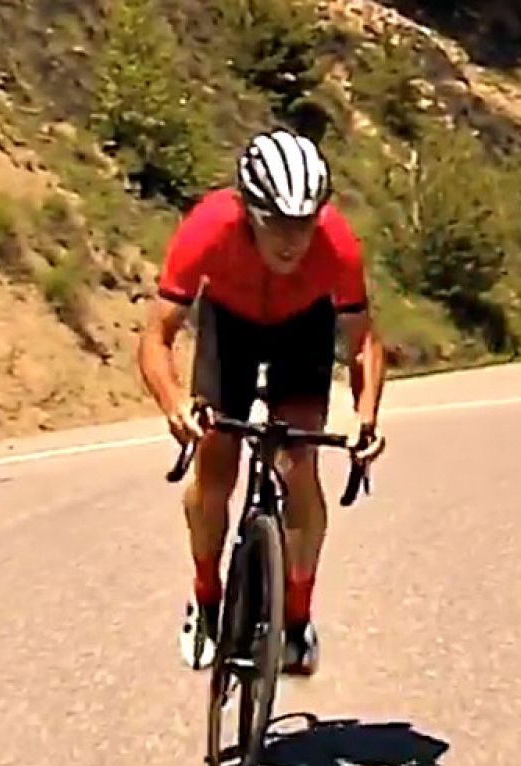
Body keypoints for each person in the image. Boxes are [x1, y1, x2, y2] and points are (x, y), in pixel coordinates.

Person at [137, 129, 389, 676]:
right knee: (215, 462)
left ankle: (296, 619)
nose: (292, 239)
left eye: (304, 223)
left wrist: (366, 416)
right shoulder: (208, 229)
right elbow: (156, 336)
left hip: (303, 329)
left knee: (298, 464)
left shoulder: (336, 244)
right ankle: (206, 599)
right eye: (275, 221)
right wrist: (175, 403)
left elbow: (363, 341)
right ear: (248, 210)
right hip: (230, 328)